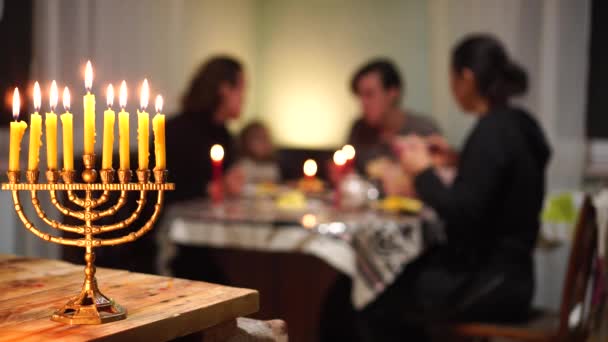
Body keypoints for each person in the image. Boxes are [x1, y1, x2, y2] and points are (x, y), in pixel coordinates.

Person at [359, 34, 551, 341]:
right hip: (513, 279)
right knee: (396, 281)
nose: (452, 88)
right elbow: (501, 181)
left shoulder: (492, 131)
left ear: (466, 78)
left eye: (452, 78)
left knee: (374, 298)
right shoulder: (517, 123)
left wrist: (421, 171)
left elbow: (461, 212)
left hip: (490, 284)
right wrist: (458, 159)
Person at [167, 56, 247, 283]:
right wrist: (211, 188)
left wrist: (232, 182)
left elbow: (227, 179)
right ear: (224, 89)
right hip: (178, 245)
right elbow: (165, 188)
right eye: (241, 89)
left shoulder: (225, 134)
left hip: (215, 240)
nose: (244, 98)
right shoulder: (177, 131)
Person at [347, 59, 441, 174]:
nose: (363, 103)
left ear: (392, 93)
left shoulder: (424, 129)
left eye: (369, 94)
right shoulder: (359, 130)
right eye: (360, 96)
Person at [235, 120, 280, 185]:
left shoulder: (272, 167)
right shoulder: (242, 166)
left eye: (266, 138)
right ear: (245, 142)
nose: (264, 143)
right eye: (258, 138)